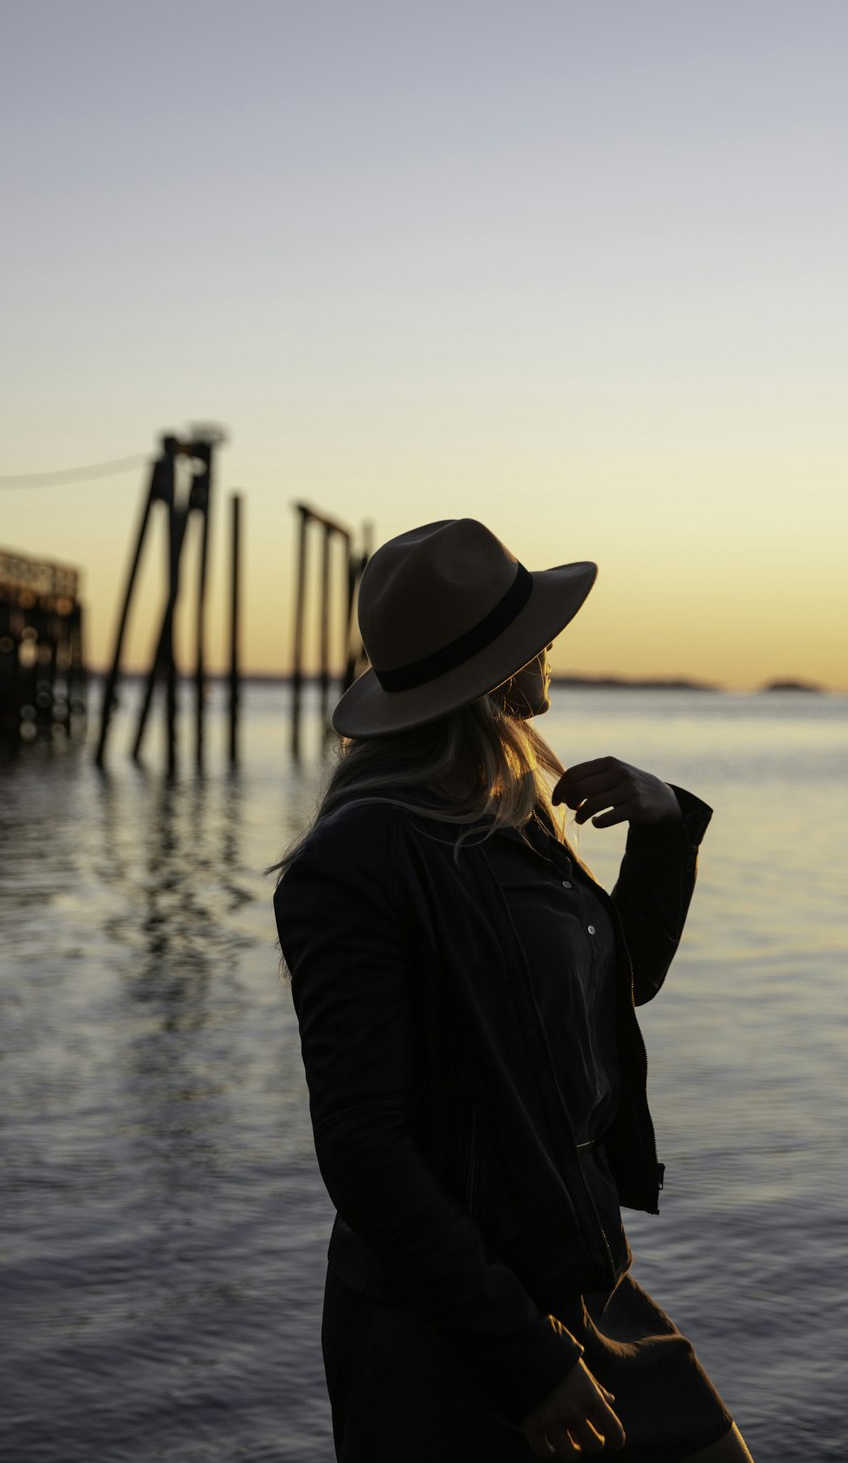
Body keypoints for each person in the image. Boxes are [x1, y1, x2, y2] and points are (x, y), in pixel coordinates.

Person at [273, 518, 756, 1463]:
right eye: (532, 627)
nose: (552, 642)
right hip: (443, 1325)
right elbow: (364, 1147)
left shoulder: (508, 819)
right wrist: (519, 1359)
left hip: (579, 1279)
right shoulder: (359, 861)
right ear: (499, 666)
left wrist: (665, 824)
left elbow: (615, 996)